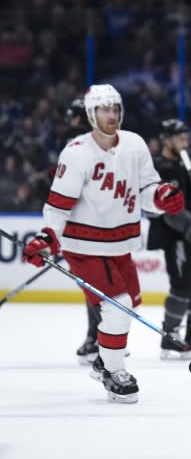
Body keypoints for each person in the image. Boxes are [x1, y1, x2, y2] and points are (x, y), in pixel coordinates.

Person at [22, 84, 184, 403]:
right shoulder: (77, 151)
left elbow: (146, 189)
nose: (111, 115)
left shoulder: (135, 145)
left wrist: (161, 197)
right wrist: (47, 237)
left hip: (121, 244)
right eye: (104, 109)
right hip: (83, 246)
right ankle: (112, 370)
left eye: (115, 109)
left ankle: (103, 358)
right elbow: (57, 205)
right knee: (118, 307)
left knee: (129, 305)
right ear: (91, 114)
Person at [146, 119, 191, 359]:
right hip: (174, 235)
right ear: (167, 140)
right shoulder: (159, 168)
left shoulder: (184, 163)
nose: (186, 143)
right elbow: (168, 208)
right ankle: (170, 335)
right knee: (183, 283)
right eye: (181, 139)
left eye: (187, 139)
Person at [58, 97, 104, 365]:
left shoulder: (74, 144)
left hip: (83, 226)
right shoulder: (105, 141)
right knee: (97, 284)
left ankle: (99, 337)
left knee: (93, 285)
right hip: (103, 222)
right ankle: (98, 336)